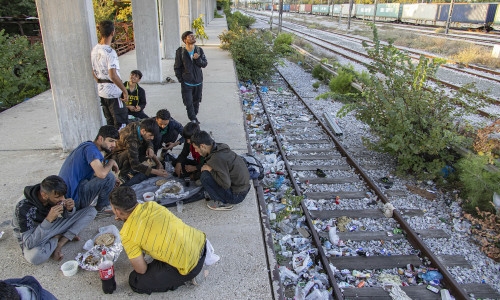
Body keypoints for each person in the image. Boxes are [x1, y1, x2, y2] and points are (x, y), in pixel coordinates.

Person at [109, 186, 208, 294]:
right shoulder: (151, 205)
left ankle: (188, 278)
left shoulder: (127, 233)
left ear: (118, 212)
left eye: (113, 208)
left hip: (190, 265)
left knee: (136, 280)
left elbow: (141, 269)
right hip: (201, 245)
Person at [12, 176, 97, 265]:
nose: (63, 199)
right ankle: (57, 237)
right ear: (44, 195)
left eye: (63, 196)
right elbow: (29, 243)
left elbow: (66, 216)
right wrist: (48, 219)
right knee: (35, 257)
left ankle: (61, 242)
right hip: (34, 233)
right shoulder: (23, 207)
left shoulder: (56, 192)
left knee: (91, 211)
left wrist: (70, 210)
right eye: (58, 197)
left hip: (51, 226)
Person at [58, 125, 120, 213]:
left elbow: (94, 173)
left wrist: (112, 181)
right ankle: (103, 208)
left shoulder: (87, 146)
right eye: (111, 141)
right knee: (109, 177)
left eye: (115, 142)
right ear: (100, 138)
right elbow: (101, 174)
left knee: (109, 178)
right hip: (72, 202)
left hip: (68, 197)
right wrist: (112, 162)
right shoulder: (91, 150)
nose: (113, 145)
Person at [190, 131, 250, 211]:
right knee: (207, 170)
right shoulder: (219, 147)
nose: (196, 151)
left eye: (196, 148)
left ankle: (222, 203)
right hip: (243, 189)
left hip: (236, 196)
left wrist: (210, 170)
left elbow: (226, 184)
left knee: (205, 176)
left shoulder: (216, 158)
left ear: (202, 146)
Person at [91, 20, 129, 130]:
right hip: (114, 92)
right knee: (121, 123)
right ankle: (119, 146)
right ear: (113, 32)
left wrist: (99, 82)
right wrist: (124, 90)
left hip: (102, 91)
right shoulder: (110, 52)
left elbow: (93, 70)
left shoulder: (95, 50)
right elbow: (113, 75)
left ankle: (110, 145)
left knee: (110, 122)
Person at [109, 118, 168, 186]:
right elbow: (135, 164)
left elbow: (147, 140)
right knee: (132, 155)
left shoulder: (140, 126)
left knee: (145, 148)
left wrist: (150, 148)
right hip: (115, 159)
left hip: (128, 149)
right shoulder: (131, 140)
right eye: (151, 135)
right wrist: (157, 172)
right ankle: (123, 174)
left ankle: (130, 170)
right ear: (143, 131)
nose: (152, 138)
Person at [174, 31, 208, 124]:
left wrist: (198, 59)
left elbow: (204, 64)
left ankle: (194, 116)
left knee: (196, 102)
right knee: (188, 103)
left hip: (198, 82)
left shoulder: (199, 50)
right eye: (190, 36)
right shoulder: (180, 52)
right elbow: (177, 67)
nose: (193, 37)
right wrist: (181, 80)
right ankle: (193, 119)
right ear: (185, 40)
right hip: (187, 83)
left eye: (193, 36)